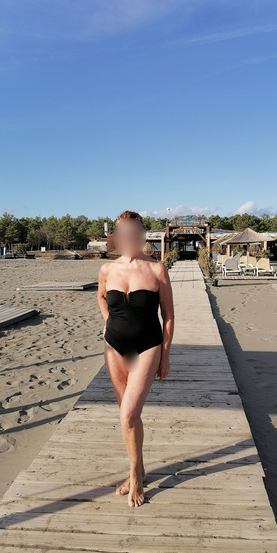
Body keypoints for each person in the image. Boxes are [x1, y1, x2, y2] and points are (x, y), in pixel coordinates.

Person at [97, 210, 174, 507]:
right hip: (114, 347)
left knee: (128, 415)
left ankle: (135, 478)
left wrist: (165, 354)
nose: (129, 238)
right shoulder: (107, 269)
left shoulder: (157, 269)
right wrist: (107, 321)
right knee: (128, 415)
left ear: (142, 235)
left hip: (148, 346)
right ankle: (138, 469)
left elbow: (168, 315)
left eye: (134, 233)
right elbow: (101, 296)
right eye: (124, 234)